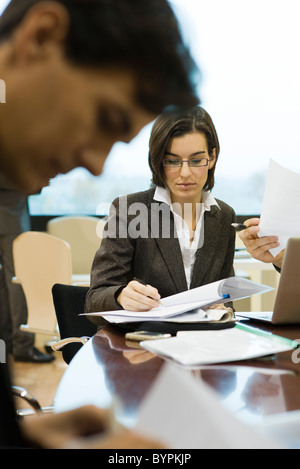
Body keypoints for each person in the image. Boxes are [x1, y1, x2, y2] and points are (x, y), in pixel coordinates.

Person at [0, 0, 199, 449]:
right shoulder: (131, 208)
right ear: (42, 38)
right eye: (105, 119)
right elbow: (100, 290)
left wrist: (28, 438)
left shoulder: (222, 217)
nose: (94, 164)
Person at [85, 106, 236, 316]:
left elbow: (226, 297)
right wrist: (120, 296)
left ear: (212, 157)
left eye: (196, 160)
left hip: (203, 343)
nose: (185, 173)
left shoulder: (224, 216)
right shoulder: (129, 211)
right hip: (145, 341)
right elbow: (95, 298)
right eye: (173, 161)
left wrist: (222, 308)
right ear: (158, 161)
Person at [0, 173, 54, 362]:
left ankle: (5, 346)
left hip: (10, 212)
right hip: (9, 214)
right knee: (18, 280)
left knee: (6, 282)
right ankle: (22, 346)